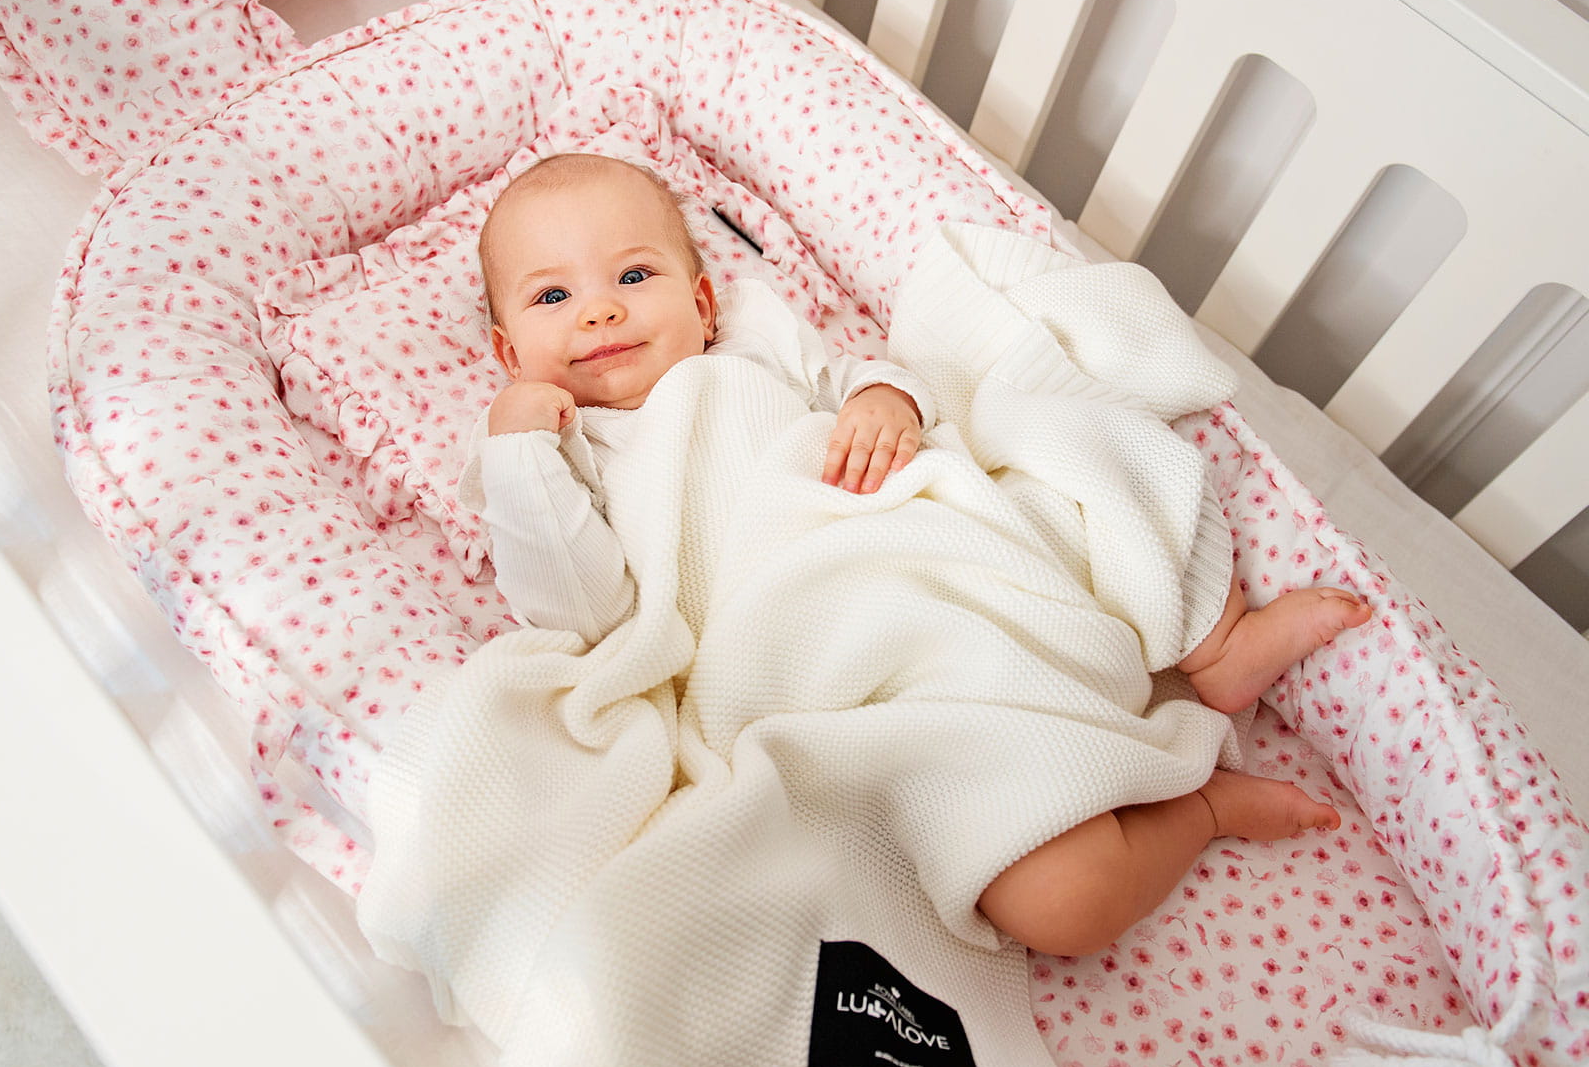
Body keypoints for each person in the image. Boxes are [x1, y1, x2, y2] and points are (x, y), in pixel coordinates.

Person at [463, 151, 1373, 958]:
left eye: (634, 274)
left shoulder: (752, 341)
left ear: (701, 304)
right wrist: (519, 452)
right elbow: (585, 610)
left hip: (946, 553)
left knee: (1090, 448)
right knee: (1069, 902)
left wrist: (885, 402)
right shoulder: (565, 456)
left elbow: (864, 378)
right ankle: (1201, 808)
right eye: (552, 298)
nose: (601, 310)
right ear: (510, 353)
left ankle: (1217, 646)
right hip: (841, 683)